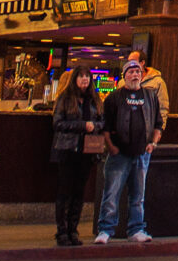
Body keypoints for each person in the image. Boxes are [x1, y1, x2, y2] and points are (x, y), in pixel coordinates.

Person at [96, 56, 165, 243]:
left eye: (137, 72)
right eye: (131, 72)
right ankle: (105, 230)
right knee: (111, 193)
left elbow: (159, 123)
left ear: (142, 75)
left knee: (138, 195)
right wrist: (110, 147)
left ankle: (136, 229)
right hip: (119, 154)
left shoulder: (150, 96)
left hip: (142, 153)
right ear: (124, 76)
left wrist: (153, 143)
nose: (135, 75)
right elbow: (105, 126)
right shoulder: (114, 98)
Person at [48, 69, 102, 248]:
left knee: (79, 192)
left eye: (87, 76)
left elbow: (103, 122)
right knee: (65, 191)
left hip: (87, 151)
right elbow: (57, 123)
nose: (84, 79)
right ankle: (61, 231)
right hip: (67, 149)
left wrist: (94, 126)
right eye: (81, 76)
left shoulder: (94, 100)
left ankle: (73, 229)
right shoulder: (66, 98)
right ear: (74, 79)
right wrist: (81, 126)